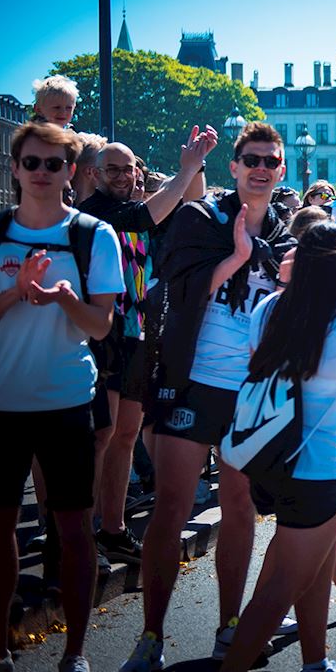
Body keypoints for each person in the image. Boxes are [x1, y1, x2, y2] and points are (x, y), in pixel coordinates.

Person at [118, 123, 296, 672]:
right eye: (251, 159)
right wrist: (237, 257)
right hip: (194, 382)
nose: (261, 168)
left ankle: (228, 626)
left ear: (281, 170)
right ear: (235, 166)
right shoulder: (201, 218)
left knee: (241, 507)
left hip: (252, 394)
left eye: (270, 160)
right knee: (171, 506)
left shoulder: (291, 239)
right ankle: (151, 637)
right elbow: (175, 281)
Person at [0, 121, 124, 672]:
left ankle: (75, 657)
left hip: (66, 401)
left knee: (75, 530)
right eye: (32, 163)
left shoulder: (93, 235)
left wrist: (66, 301)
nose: (42, 173)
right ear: (16, 167)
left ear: (71, 171)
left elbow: (101, 326)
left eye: (55, 164)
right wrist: (15, 293)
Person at [202, 221, 336, 672]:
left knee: (316, 564)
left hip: (268, 456)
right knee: (284, 583)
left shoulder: (270, 307)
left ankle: (315, 668)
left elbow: (257, 363)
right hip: (319, 466)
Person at [78, 129, 217, 569]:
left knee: (125, 435)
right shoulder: (95, 211)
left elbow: (192, 210)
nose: (122, 176)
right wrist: (185, 167)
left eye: (128, 168)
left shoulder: (142, 210)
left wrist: (197, 165)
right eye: (112, 169)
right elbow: (145, 215)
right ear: (96, 174)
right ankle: (81, 537)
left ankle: (113, 529)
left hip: (141, 332)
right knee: (100, 438)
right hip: (105, 335)